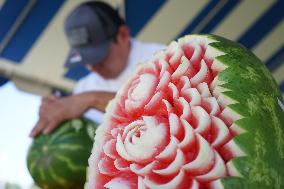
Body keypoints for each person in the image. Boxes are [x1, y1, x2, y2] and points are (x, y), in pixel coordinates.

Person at [29, 1, 165, 137]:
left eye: (99, 56)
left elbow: (167, 110)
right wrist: (56, 117)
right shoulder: (83, 88)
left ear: (123, 35)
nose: (91, 67)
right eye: (86, 59)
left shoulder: (165, 58)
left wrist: (93, 99)